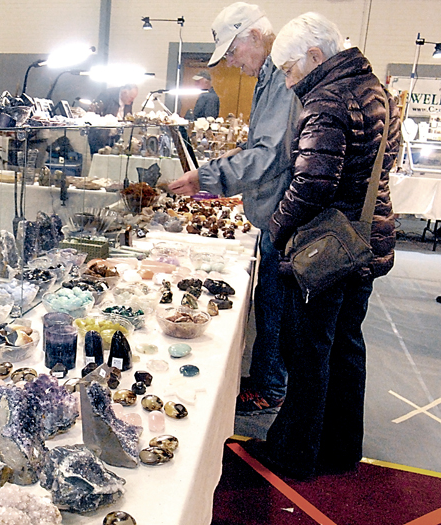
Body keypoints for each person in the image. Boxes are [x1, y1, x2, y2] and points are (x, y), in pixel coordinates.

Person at [249, 12, 399, 479]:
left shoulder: (327, 99)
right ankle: (340, 449)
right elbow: (385, 161)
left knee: (308, 351)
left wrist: (275, 229)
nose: (289, 81)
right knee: (346, 346)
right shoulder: (376, 90)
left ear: (314, 56)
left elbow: (311, 184)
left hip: (327, 249)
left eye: (290, 69)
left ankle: (294, 454)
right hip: (365, 240)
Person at [168, 2, 301, 414]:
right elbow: (263, 145)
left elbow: (270, 156)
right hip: (274, 211)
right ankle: (267, 380)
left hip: (283, 214)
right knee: (270, 301)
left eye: (232, 51)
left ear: (256, 37)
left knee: (275, 305)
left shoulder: (281, 79)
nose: (230, 61)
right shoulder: (268, 77)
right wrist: (231, 160)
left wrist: (208, 176)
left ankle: (270, 387)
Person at [87, 84, 139, 155]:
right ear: (124, 92)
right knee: (100, 157)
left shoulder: (128, 102)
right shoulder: (107, 95)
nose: (132, 101)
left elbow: (128, 116)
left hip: (116, 135)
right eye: (131, 98)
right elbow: (93, 114)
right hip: (100, 135)